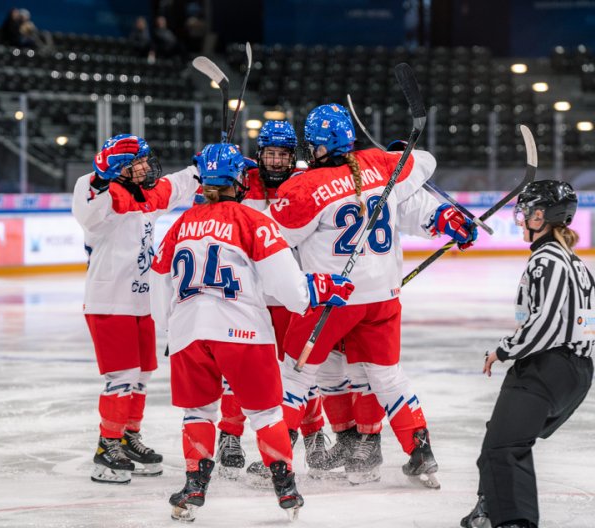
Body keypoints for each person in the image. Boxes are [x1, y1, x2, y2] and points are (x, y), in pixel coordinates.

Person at [268, 103, 477, 486]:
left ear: (316, 147)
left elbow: (271, 241)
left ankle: (277, 463)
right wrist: (444, 217)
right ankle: (420, 453)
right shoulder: (384, 167)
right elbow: (423, 168)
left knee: (295, 376)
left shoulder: (305, 186)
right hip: (382, 297)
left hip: (333, 298)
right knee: (388, 378)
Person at [149, 143, 354, 522]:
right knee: (265, 414)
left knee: (197, 412)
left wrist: (170, 328)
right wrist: (318, 287)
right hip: (242, 332)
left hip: (187, 333)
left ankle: (195, 487)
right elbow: (292, 292)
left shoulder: (179, 225)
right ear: (238, 180)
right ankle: (286, 489)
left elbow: (159, 285)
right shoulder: (252, 221)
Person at [461, 180, 594, 528]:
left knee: (504, 448)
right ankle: (489, 507)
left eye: (525, 212)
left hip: (548, 368)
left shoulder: (547, 261)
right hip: (572, 372)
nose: (519, 218)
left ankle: (512, 521)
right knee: (500, 436)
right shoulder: (572, 262)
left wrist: (503, 350)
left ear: (540, 216)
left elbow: (547, 324)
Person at [72, 134, 199, 484]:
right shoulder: (103, 196)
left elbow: (173, 187)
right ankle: (106, 446)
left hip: (141, 301)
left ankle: (128, 438)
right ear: (119, 170)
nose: (146, 167)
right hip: (109, 301)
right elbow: (88, 203)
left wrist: (200, 168)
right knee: (123, 377)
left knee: (141, 376)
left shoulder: (144, 196)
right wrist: (100, 176)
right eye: (138, 163)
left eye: (145, 160)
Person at [209, 121, 330, 480]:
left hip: (296, 295)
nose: (276, 161)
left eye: (283, 155)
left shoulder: (306, 183)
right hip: (250, 297)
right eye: (270, 154)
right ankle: (228, 436)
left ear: (295, 156)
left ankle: (313, 437)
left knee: (301, 372)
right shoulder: (242, 181)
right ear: (259, 153)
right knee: (238, 372)